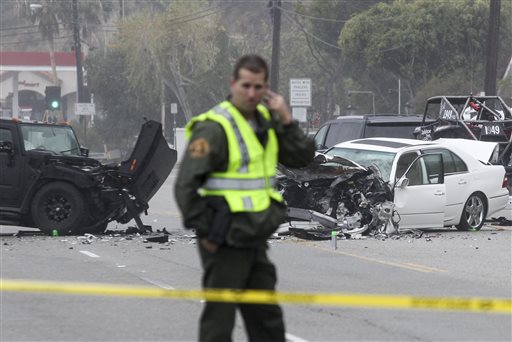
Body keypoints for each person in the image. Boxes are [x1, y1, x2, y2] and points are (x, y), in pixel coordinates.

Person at [174, 54, 315, 342]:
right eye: (246, 86)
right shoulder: (214, 126)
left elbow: (302, 157)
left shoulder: (266, 122)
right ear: (233, 84)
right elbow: (186, 185)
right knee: (220, 324)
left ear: (266, 89)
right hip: (224, 239)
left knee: (267, 322)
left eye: (258, 87)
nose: (251, 93)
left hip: (255, 237)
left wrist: (287, 120)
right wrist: (209, 232)